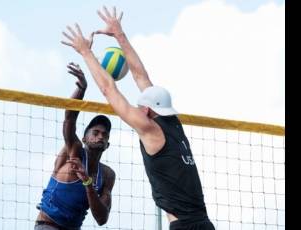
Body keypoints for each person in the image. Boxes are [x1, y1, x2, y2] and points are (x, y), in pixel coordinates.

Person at [61, 6, 215, 230]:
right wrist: (119, 34)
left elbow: (109, 90)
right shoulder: (172, 122)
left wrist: (86, 52)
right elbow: (142, 77)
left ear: (146, 111)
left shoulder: (150, 129)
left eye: (140, 105)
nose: (137, 107)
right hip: (204, 223)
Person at [35, 62, 116, 230]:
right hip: (48, 225)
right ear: (85, 139)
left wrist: (87, 182)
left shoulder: (107, 175)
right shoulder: (75, 150)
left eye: (104, 134)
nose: (100, 136)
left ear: (107, 145)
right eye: (95, 132)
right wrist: (81, 89)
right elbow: (69, 119)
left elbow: (102, 219)